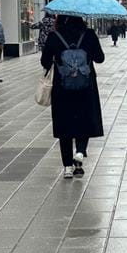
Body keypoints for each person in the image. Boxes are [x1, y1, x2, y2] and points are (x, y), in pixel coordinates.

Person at [41, 16, 105, 179]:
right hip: (86, 86)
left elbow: (45, 61)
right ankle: (80, 152)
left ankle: (68, 167)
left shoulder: (55, 36)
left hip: (62, 88)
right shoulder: (89, 34)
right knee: (84, 120)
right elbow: (100, 58)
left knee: (64, 125)